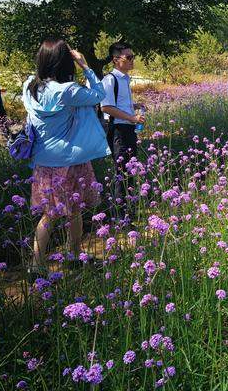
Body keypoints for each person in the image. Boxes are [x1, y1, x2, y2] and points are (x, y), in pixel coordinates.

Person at [22, 39, 110, 276]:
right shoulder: (67, 91)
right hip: (69, 160)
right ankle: (73, 255)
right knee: (74, 210)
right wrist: (85, 66)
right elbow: (99, 94)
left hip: (43, 161)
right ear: (64, 63)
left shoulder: (30, 85)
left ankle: (36, 265)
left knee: (49, 214)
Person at [100, 42, 146, 213]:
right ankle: (121, 213)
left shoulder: (124, 79)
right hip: (118, 130)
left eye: (132, 56)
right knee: (122, 171)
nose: (132, 60)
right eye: (128, 57)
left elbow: (119, 103)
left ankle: (129, 207)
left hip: (127, 129)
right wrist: (133, 118)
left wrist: (134, 105)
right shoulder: (110, 80)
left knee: (130, 169)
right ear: (115, 60)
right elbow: (106, 107)